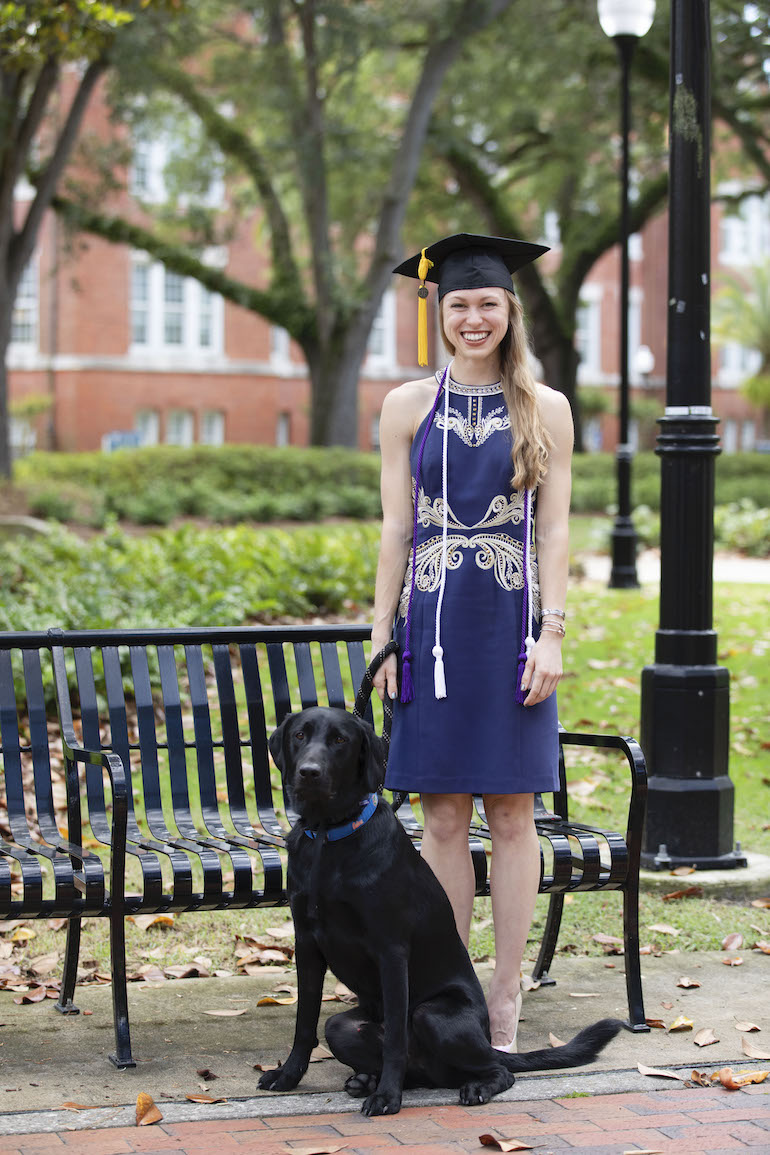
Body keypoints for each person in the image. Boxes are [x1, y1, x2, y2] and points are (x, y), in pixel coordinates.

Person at [370, 233, 573, 1053]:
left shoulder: (544, 406)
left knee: (515, 810)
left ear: (509, 309)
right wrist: (381, 636)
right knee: (444, 817)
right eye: (459, 303)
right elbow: (393, 527)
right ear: (440, 312)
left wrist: (552, 633)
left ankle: (504, 996)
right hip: (433, 624)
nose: (474, 316)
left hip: (512, 627)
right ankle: (448, 997)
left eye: (488, 302)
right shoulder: (406, 406)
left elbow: (555, 531)